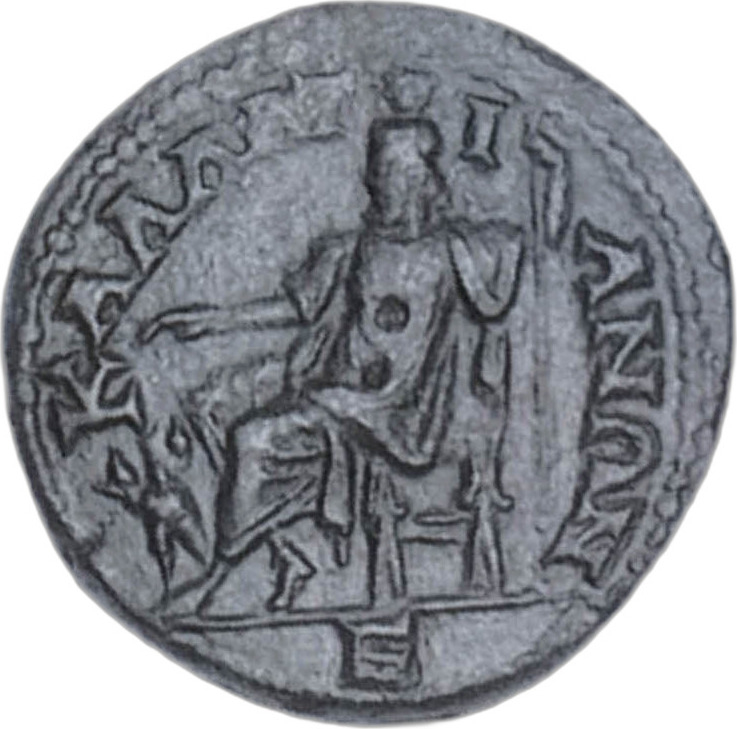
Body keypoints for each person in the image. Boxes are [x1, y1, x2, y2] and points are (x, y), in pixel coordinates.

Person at [143, 116, 523, 614]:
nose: (373, 183)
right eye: (377, 173)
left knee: (253, 439)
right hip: (339, 397)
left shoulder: (459, 252)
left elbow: (504, 273)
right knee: (213, 405)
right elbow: (293, 309)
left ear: (416, 179)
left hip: (404, 414)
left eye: (386, 173)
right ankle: (283, 556)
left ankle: (223, 574)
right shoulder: (351, 250)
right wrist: (208, 321)